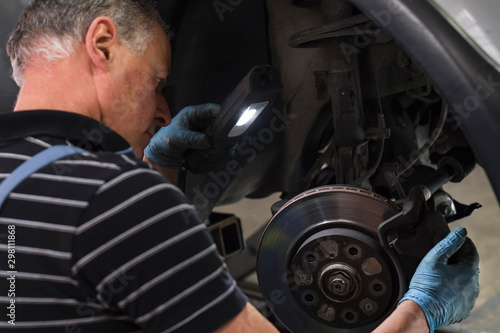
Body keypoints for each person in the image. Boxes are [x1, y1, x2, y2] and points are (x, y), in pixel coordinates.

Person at [0, 0, 479, 332]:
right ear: (102, 43)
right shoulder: (115, 202)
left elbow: (54, 275)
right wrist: (422, 312)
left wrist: (160, 175)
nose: (165, 110)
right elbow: (115, 230)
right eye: (158, 81)